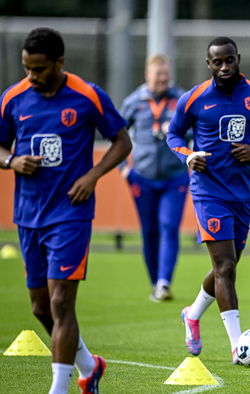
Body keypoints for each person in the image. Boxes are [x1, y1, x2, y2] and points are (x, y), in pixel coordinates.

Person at [0, 28, 131, 394]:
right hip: (28, 214)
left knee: (61, 301)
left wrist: (92, 176)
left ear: (59, 63)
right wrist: (11, 160)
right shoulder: (13, 98)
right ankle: (89, 366)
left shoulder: (88, 95)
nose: (31, 76)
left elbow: (122, 140)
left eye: (39, 69)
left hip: (70, 214)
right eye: (27, 68)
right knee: (41, 308)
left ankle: (60, 388)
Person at [166, 36, 250, 362]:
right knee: (225, 266)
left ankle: (192, 314)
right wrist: (188, 156)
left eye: (229, 60)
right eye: (217, 62)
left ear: (238, 58)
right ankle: (238, 346)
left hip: (242, 193)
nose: (224, 66)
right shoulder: (194, 99)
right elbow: (172, 134)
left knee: (228, 266)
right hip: (208, 191)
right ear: (209, 64)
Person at [119, 54, 188, 302]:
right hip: (143, 178)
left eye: (166, 74)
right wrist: (123, 168)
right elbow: (115, 134)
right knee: (149, 232)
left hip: (175, 177)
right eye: (159, 74)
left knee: (169, 227)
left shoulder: (181, 100)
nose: (163, 79)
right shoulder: (134, 102)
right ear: (147, 75)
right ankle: (154, 282)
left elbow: (195, 131)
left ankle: (164, 283)